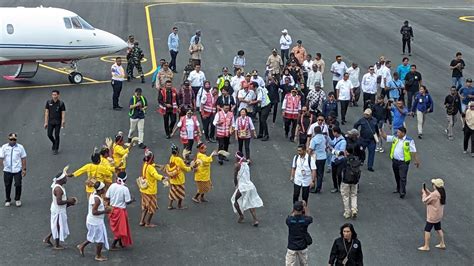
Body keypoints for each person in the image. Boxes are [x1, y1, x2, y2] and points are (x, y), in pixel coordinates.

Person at [380, 127, 420, 198]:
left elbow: (413, 151)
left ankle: (402, 192)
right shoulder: (395, 138)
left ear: (403, 133)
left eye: (398, 132)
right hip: (395, 161)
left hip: (403, 162)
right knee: (397, 176)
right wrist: (381, 130)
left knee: (402, 177)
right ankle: (398, 188)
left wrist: (416, 160)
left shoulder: (409, 141)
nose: (397, 134)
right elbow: (386, 138)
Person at [77, 181, 111, 262]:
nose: (105, 189)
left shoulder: (94, 195)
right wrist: (105, 211)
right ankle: (98, 256)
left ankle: (82, 246)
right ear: (100, 190)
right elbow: (94, 212)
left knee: (92, 236)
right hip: (96, 222)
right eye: (103, 189)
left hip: (93, 221)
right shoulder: (97, 200)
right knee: (100, 239)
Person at [43, 169, 77, 249]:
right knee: (58, 226)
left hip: (58, 208)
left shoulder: (58, 186)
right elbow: (59, 202)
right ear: (61, 180)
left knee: (57, 225)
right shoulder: (58, 189)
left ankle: (48, 238)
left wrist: (69, 203)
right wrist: (69, 201)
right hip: (58, 210)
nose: (66, 179)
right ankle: (57, 245)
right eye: (65, 178)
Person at [231, 152, 263, 226]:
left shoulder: (237, 165)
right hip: (250, 186)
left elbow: (235, 177)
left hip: (242, 187)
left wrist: (236, 185)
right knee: (250, 202)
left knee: (235, 200)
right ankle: (255, 220)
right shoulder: (246, 164)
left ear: (237, 158)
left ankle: (241, 216)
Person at [105, 172, 134, 250]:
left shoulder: (112, 185)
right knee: (121, 229)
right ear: (125, 180)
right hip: (120, 211)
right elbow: (127, 201)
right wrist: (132, 200)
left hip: (112, 209)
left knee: (117, 228)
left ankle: (121, 243)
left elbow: (107, 197)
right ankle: (113, 245)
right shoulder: (125, 189)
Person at [418, 178, 447, 251]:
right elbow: (433, 197)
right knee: (438, 228)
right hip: (438, 215)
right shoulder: (441, 192)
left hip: (432, 215)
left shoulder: (435, 194)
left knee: (427, 230)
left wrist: (424, 193)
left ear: (435, 186)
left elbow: (425, 201)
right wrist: (427, 191)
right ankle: (442, 243)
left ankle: (426, 246)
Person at [341, 129, 364, 219]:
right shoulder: (357, 160)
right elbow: (362, 154)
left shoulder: (344, 160)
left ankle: (347, 211)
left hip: (346, 179)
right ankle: (354, 209)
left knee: (346, 195)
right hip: (355, 179)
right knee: (354, 194)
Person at [139, 150, 165, 227]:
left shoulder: (145, 164)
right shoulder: (151, 168)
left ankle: (141, 221)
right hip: (150, 191)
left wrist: (157, 165)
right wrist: (163, 178)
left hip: (144, 190)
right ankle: (148, 223)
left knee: (145, 206)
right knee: (152, 208)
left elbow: (152, 165)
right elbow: (156, 175)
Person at [0, 133, 27, 207]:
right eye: (11, 139)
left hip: (17, 170)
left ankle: (17, 199)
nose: (13, 141)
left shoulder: (20, 147)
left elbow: (23, 158)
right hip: (7, 170)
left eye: (14, 139)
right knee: (7, 185)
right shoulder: (4, 147)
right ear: (8, 139)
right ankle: (8, 199)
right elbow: (1, 158)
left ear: (16, 140)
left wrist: (24, 169)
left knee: (18, 184)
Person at [285, 201, 313, 266]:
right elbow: (310, 218)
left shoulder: (290, 220)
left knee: (289, 264)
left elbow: (290, 216)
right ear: (302, 209)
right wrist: (305, 207)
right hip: (302, 246)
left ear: (294, 209)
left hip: (292, 246)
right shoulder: (305, 220)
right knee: (304, 264)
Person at [167, 144, 192, 210]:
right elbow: (185, 168)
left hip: (173, 179)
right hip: (179, 180)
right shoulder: (179, 159)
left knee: (172, 192)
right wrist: (191, 167)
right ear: (177, 152)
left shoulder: (172, 157)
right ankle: (179, 205)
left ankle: (170, 205)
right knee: (181, 193)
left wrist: (183, 161)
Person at [44, 90, 66, 155]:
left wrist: (63, 121)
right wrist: (45, 122)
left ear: (58, 95)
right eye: (53, 95)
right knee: (49, 134)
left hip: (58, 122)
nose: (54, 96)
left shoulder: (61, 103)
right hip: (50, 121)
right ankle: (54, 142)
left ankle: (56, 148)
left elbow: (63, 113)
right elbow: (46, 112)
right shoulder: (48, 102)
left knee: (57, 135)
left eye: (55, 95)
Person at [308, 126, 327, 193]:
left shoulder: (314, 139)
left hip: (316, 157)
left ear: (315, 131)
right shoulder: (324, 138)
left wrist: (308, 155)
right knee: (320, 173)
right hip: (323, 157)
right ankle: (319, 188)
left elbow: (310, 149)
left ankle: (312, 186)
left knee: (313, 172)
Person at [329, 127, 346, 193]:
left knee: (339, 174)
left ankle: (340, 187)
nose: (333, 133)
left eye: (333, 132)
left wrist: (332, 150)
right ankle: (335, 187)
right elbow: (332, 143)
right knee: (333, 174)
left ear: (336, 132)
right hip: (334, 159)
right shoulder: (335, 138)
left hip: (340, 160)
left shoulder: (343, 141)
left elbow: (341, 152)